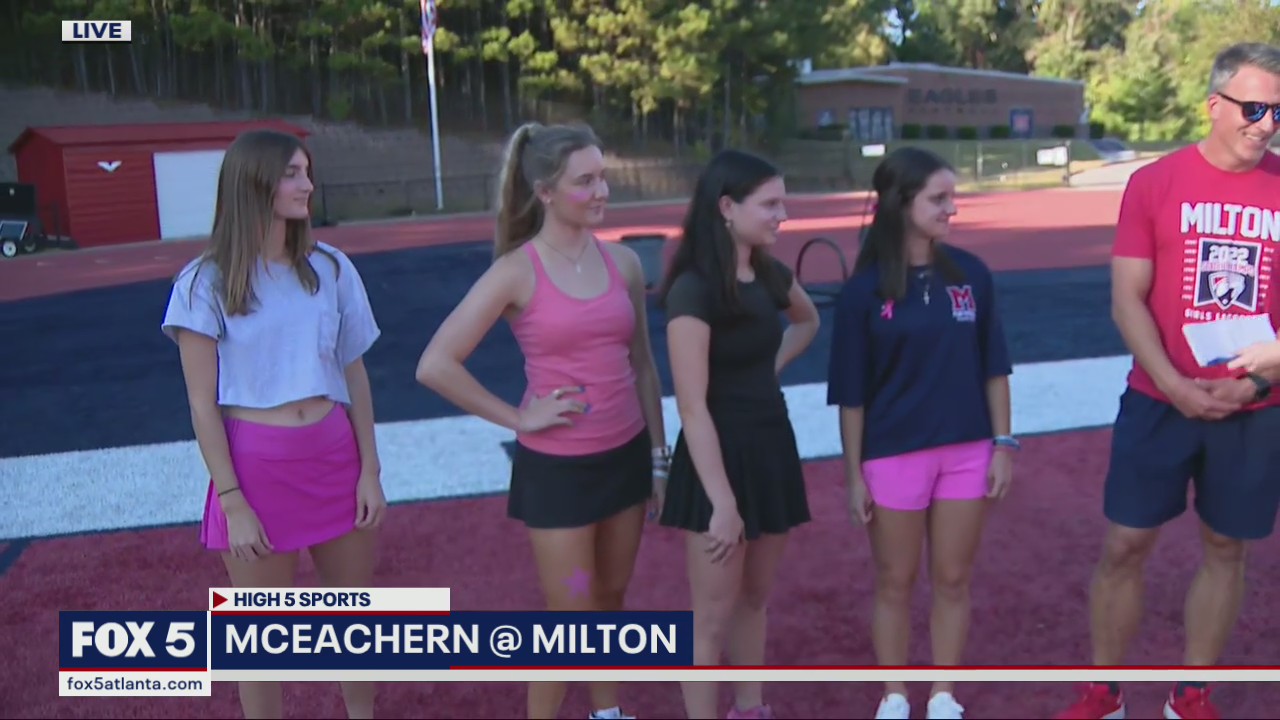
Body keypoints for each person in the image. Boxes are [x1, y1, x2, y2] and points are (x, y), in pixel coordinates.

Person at [1054, 42, 1280, 720]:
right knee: (1124, 544)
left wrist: (1259, 382)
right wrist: (1176, 386)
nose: (1268, 123)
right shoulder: (1154, 184)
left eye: (1279, 110)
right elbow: (1127, 301)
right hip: (1158, 400)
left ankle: (1191, 694)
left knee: (1226, 547)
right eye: (1255, 107)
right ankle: (1106, 690)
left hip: (1257, 404)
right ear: (1214, 105)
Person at [414, 122, 666, 720]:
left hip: (626, 458)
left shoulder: (626, 263)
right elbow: (435, 364)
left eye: (604, 176)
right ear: (546, 192)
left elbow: (645, 369)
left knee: (610, 598)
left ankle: (607, 712)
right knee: (569, 618)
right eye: (586, 180)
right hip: (559, 474)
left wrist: (659, 457)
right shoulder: (516, 271)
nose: (602, 190)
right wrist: (519, 418)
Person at [161, 129, 386, 719]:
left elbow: (355, 374)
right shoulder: (202, 283)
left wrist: (371, 470)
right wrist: (232, 500)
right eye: (292, 173)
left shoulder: (332, 269)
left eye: (306, 172)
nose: (306, 184)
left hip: (336, 457)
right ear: (253, 181)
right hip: (256, 469)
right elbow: (201, 403)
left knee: (353, 621)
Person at [826, 147, 1014, 720]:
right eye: (939, 198)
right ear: (900, 203)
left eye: (952, 197)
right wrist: (853, 475)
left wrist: (1004, 443)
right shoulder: (863, 293)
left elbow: (994, 367)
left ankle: (942, 696)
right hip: (892, 457)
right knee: (895, 581)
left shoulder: (972, 276)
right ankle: (894, 695)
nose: (951, 208)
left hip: (967, 451)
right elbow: (850, 396)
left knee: (953, 579)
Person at [659, 149, 820, 720]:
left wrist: (764, 370)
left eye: (784, 201)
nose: (783, 214)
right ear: (727, 207)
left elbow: (808, 320)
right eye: (770, 203)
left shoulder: (772, 272)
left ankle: (751, 708)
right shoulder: (693, 288)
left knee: (754, 598)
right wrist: (722, 502)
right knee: (710, 618)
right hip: (715, 459)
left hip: (770, 445)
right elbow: (692, 406)